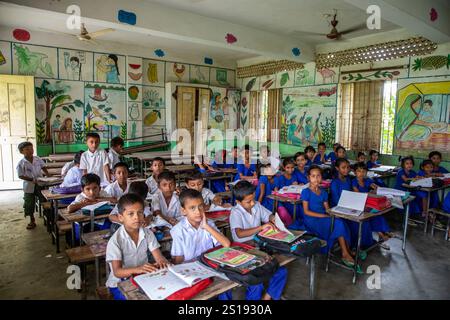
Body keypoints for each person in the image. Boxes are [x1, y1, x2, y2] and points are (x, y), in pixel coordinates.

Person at [230, 181, 288, 300]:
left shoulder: (256, 205)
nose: (252, 203)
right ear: (238, 202)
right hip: (242, 249)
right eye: (248, 201)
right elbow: (239, 233)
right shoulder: (235, 212)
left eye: (253, 199)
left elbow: (269, 216)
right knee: (257, 280)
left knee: (281, 271)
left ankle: (266, 298)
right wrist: (261, 227)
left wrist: (274, 220)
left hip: (258, 245)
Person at [105, 194, 170, 300]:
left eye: (140, 213)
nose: (136, 217)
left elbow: (159, 258)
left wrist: (164, 263)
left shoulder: (147, 233)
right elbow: (117, 272)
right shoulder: (115, 241)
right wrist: (138, 269)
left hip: (142, 277)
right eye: (131, 214)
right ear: (121, 217)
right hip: (120, 283)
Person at [301, 166, 359, 271]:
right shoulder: (306, 192)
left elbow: (327, 209)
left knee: (340, 221)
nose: (316, 178)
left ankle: (347, 249)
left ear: (321, 177)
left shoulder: (323, 192)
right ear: (308, 178)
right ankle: (345, 253)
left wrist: (334, 213)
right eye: (313, 176)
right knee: (338, 224)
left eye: (318, 176)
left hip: (323, 217)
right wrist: (325, 215)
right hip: (311, 220)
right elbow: (306, 211)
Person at [331, 158, 374, 251]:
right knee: (355, 222)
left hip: (349, 206)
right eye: (343, 167)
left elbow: (352, 194)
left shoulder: (348, 180)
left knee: (365, 219)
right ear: (337, 168)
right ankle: (353, 246)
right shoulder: (334, 183)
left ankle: (363, 244)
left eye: (348, 167)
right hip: (339, 209)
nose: (346, 170)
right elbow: (337, 201)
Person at [352, 162, 392, 244]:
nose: (361, 173)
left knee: (378, 215)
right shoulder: (354, 182)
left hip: (368, 203)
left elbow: (376, 187)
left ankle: (386, 231)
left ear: (366, 172)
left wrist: (376, 189)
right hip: (360, 204)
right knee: (371, 216)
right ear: (354, 172)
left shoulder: (367, 180)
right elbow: (358, 194)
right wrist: (370, 193)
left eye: (363, 171)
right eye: (359, 171)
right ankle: (381, 234)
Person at [16, 142, 50, 230]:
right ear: (21, 152)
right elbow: (20, 175)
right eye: (27, 149)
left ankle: (48, 218)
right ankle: (32, 220)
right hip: (29, 186)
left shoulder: (37, 159)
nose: (30, 151)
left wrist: (48, 175)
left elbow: (43, 167)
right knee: (29, 204)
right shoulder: (21, 163)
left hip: (40, 184)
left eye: (31, 148)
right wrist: (31, 179)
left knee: (44, 200)